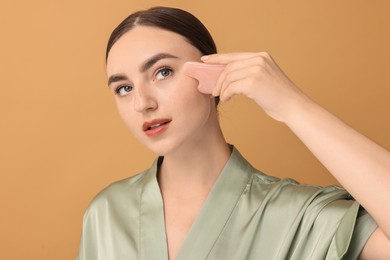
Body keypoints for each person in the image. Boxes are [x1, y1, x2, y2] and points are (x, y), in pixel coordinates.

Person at [77, 6, 390, 260]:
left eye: (163, 72)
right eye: (124, 88)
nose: (142, 103)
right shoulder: (106, 214)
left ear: (212, 73)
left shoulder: (298, 216)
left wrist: (293, 106)